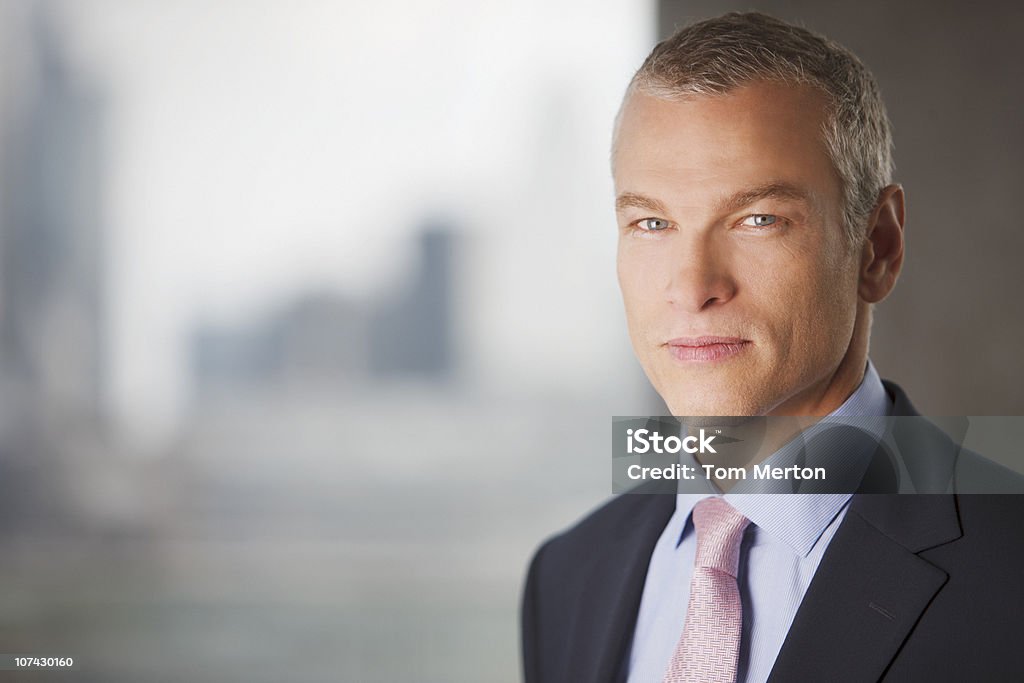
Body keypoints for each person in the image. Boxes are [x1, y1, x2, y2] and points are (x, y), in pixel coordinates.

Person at [521, 12, 1024, 683]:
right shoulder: (568, 575)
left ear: (878, 246)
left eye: (759, 219)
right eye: (651, 222)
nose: (693, 286)